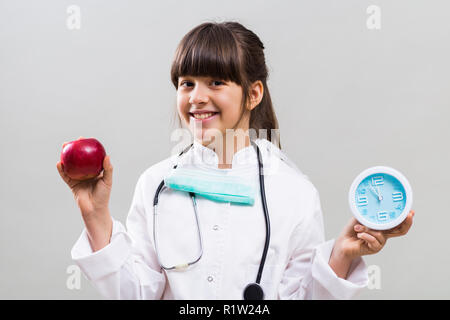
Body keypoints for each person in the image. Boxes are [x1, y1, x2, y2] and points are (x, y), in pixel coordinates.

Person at [56, 21, 414, 300]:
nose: (197, 98)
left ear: (253, 93)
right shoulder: (157, 184)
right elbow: (135, 293)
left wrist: (341, 255)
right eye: (186, 83)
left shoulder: (294, 192)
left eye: (215, 82)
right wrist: (95, 214)